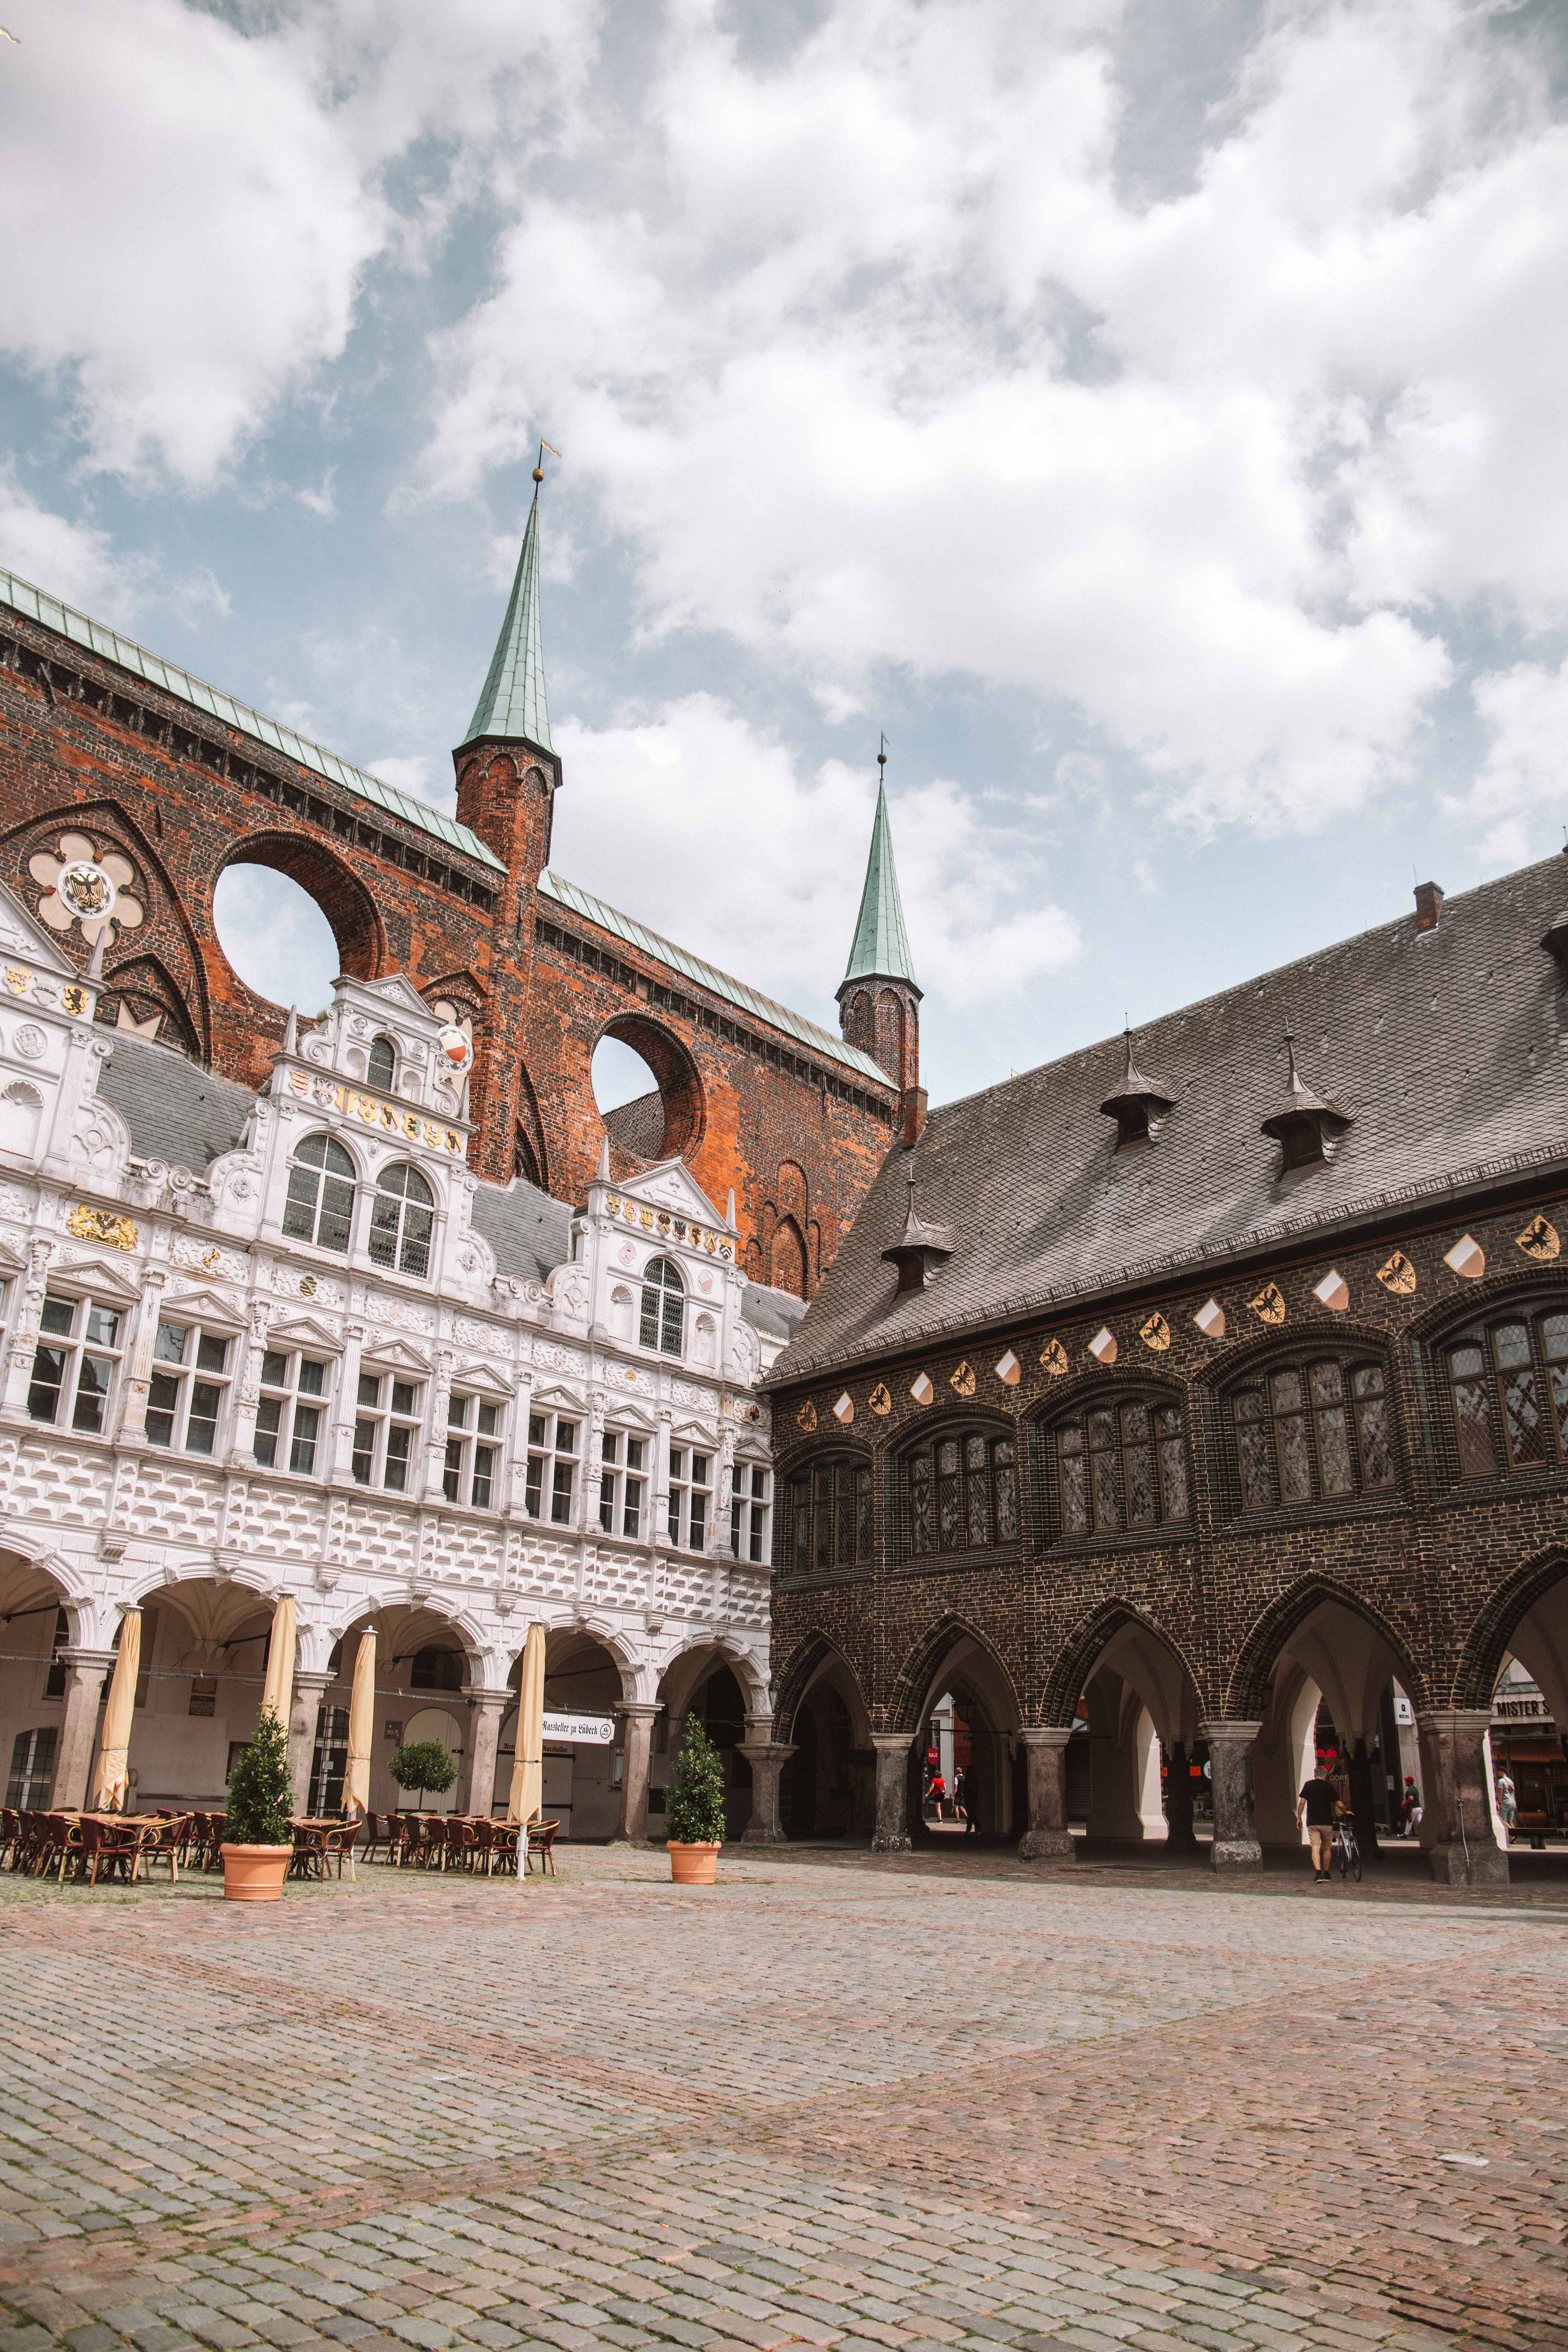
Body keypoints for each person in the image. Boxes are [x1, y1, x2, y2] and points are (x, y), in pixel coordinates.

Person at [1296, 1758, 1342, 1880]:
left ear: (1315, 1775)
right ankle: (1327, 1873)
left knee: (1315, 1847)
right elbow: (1339, 1804)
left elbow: (1302, 1802)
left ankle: (1318, 1873)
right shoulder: (1329, 1787)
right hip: (1327, 1821)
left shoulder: (1309, 1785)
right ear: (1326, 1776)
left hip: (1313, 1822)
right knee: (1327, 1848)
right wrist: (1346, 1811)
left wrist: (1299, 1817)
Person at [1496, 1768, 1517, 1842]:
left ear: (1503, 1772)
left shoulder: (1501, 1781)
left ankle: (1514, 1835)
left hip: (1505, 1803)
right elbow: (1513, 1793)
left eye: (1499, 1772)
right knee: (1510, 1821)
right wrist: (1515, 1804)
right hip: (1512, 1803)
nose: (1498, 1774)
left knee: (1501, 1820)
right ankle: (1514, 1838)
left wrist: (1498, 1803)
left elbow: (1500, 1794)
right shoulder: (1510, 1781)